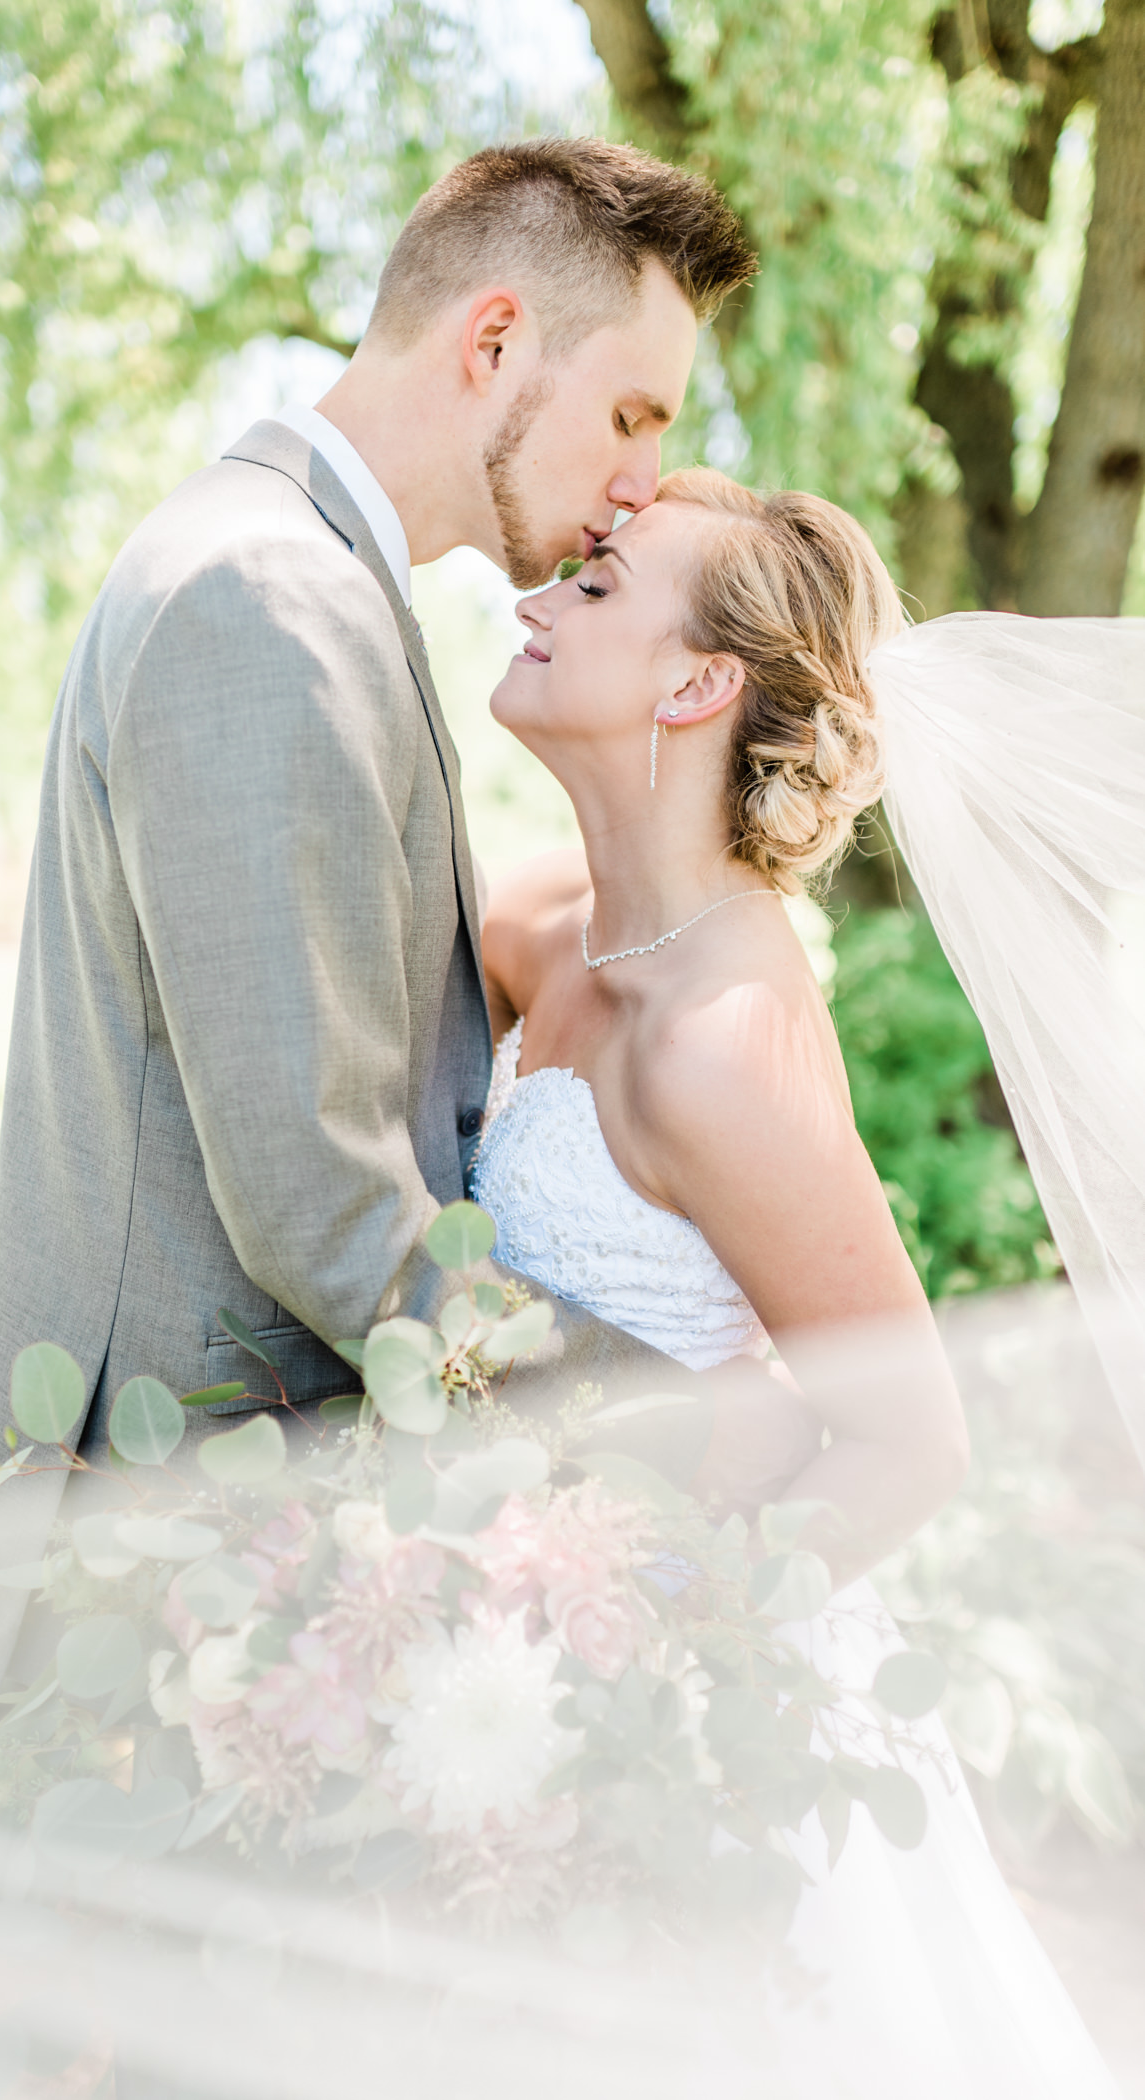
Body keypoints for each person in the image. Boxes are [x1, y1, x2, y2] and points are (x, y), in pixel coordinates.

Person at [0, 139, 796, 1696]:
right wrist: (681, 1425)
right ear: (492, 344)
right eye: (630, 412)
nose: (637, 481)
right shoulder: (262, 601)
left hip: (236, 1573)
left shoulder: (303, 579)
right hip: (167, 1585)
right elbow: (322, 1208)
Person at [475, 466, 1135, 2094]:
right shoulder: (548, 929)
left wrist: (642, 1646)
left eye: (596, 580)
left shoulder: (723, 1048)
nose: (532, 599)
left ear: (699, 683)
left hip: (719, 1717)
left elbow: (912, 1441)